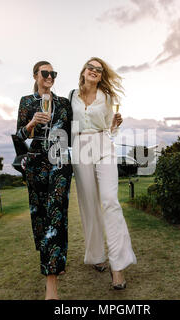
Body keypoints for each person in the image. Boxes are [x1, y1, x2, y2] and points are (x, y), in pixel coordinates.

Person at [69, 57, 137, 290]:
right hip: (79, 148)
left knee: (110, 201)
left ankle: (117, 267)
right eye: (91, 67)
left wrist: (116, 123)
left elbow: (110, 129)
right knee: (89, 205)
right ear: (84, 71)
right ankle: (96, 255)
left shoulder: (107, 98)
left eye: (99, 70)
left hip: (103, 147)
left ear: (101, 75)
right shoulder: (71, 97)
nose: (94, 71)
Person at [16, 61, 73, 300]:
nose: (50, 77)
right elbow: (19, 136)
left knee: (55, 214)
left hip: (60, 162)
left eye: (53, 74)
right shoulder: (26, 102)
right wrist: (31, 124)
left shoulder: (64, 104)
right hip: (36, 163)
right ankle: (49, 256)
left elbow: (73, 135)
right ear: (35, 75)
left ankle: (51, 286)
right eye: (45, 73)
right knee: (40, 217)